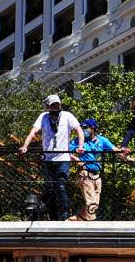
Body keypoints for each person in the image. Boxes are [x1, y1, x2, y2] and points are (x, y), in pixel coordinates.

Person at [20, 93, 83, 222]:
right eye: (52, 106)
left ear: (60, 105)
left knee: (60, 185)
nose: (55, 108)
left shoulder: (67, 116)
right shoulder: (43, 117)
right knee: (50, 188)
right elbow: (32, 133)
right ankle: (52, 214)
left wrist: (80, 146)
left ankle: (65, 213)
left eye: (57, 105)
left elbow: (79, 131)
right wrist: (25, 146)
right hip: (47, 159)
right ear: (48, 106)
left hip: (63, 157)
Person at [74, 116, 124, 222]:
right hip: (84, 173)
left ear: (93, 128)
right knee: (91, 203)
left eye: (86, 127)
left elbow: (115, 150)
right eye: (82, 127)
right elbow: (66, 151)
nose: (83, 130)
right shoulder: (78, 140)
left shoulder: (102, 140)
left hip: (97, 175)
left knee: (94, 204)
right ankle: (92, 227)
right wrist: (76, 159)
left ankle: (75, 219)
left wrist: (127, 157)